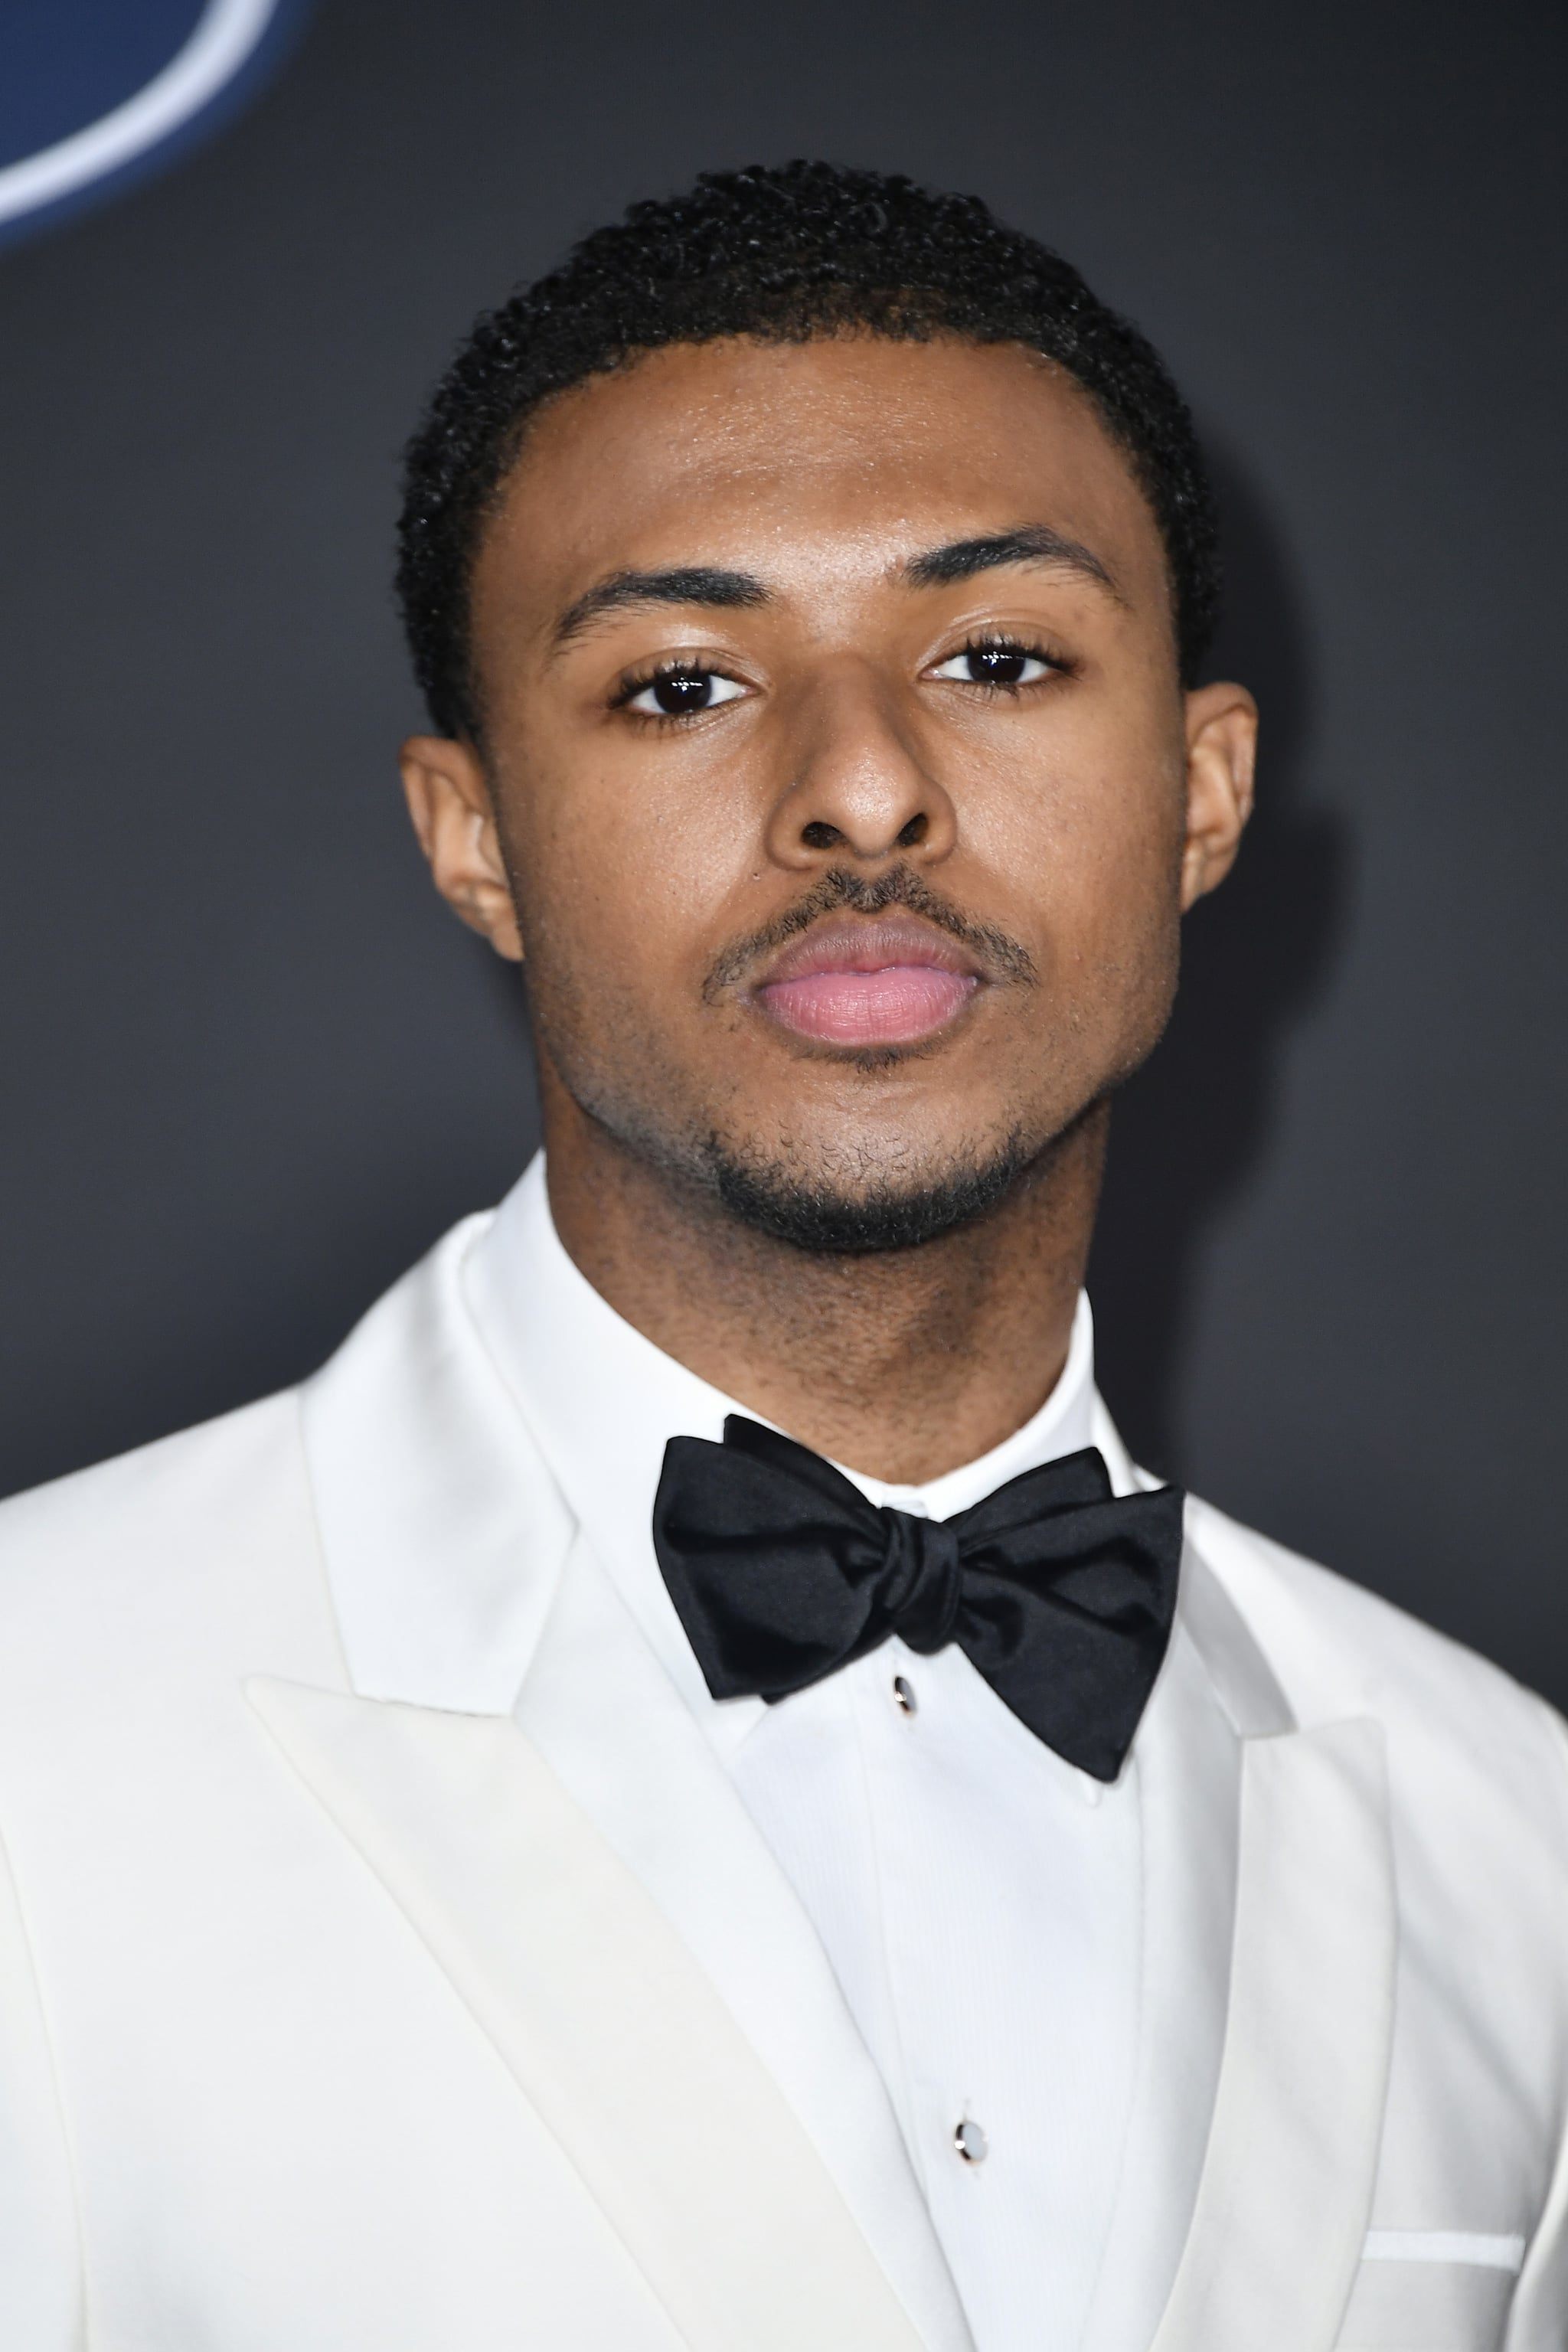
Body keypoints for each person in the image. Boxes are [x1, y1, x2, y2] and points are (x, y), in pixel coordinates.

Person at [0, 162, 1563, 2352]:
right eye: (679, 685)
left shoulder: (1516, 1839)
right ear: (476, 840)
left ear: (1202, 797)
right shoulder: (28, 1739)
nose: (859, 791)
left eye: (998, 656)